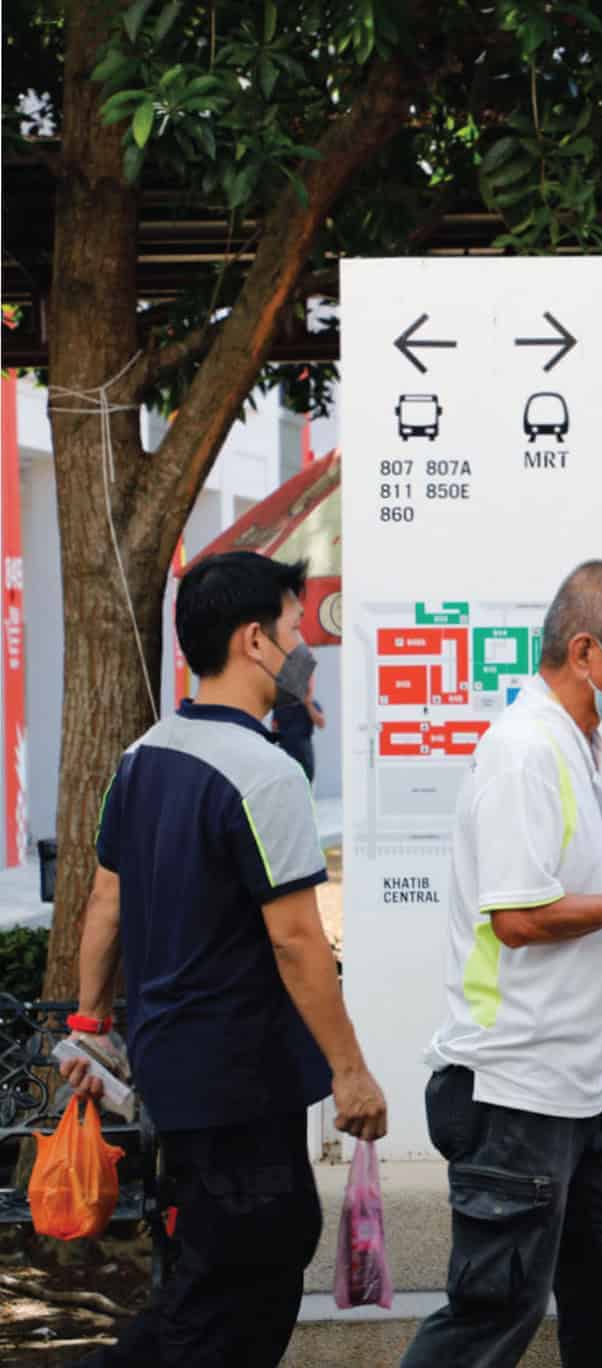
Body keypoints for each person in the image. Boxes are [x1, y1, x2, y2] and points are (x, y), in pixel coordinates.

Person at [58, 550, 388, 1368]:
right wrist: (351, 1071)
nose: (301, 641)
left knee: (217, 1269)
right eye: (292, 625)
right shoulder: (264, 772)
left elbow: (107, 902)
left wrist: (89, 1025)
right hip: (238, 1077)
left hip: (175, 1071)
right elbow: (297, 938)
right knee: (232, 1290)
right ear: (253, 640)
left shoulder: (142, 758)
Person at [399, 561, 602, 1368]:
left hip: (578, 1095)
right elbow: (518, 919)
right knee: (491, 1320)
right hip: (516, 1091)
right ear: (586, 653)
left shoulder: (582, 744)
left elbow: (566, 918)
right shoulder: (525, 751)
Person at [271, 673, 326, 783]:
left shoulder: (310, 704)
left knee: (305, 784)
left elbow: (321, 723)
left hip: (303, 751)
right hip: (285, 751)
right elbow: (274, 727)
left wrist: (308, 704)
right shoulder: (281, 705)